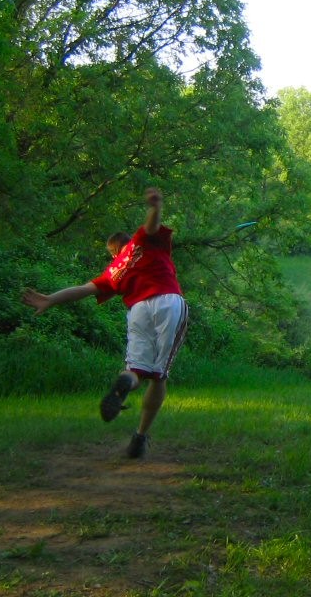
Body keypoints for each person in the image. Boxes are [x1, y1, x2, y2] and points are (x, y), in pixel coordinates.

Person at [22, 187, 188, 459]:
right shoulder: (140, 243)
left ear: (113, 253)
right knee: (159, 376)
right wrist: (155, 207)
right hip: (168, 300)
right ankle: (139, 438)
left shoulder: (114, 270)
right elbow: (151, 226)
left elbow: (83, 289)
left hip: (138, 310)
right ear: (127, 242)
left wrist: (50, 299)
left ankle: (125, 382)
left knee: (136, 369)